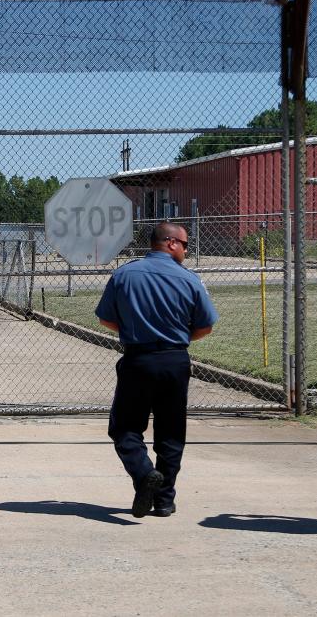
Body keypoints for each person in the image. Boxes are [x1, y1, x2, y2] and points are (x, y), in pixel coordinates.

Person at [96, 221, 218, 518]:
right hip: (175, 361)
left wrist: (133, 330)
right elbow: (206, 325)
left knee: (125, 427)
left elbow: (105, 319)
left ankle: (143, 474)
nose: (187, 251)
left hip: (138, 359)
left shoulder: (124, 274)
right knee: (171, 432)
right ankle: (164, 500)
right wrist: (176, 339)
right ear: (171, 243)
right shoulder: (189, 279)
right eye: (186, 245)